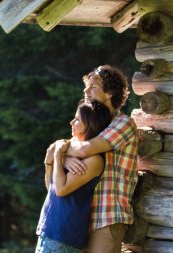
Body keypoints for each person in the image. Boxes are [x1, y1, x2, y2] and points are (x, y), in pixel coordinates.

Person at [63, 65, 139, 253]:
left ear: (109, 93)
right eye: (86, 86)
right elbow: (68, 153)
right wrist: (64, 158)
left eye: (93, 86)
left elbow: (85, 149)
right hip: (80, 216)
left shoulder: (123, 124)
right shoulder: (88, 123)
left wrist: (60, 150)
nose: (86, 91)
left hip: (107, 217)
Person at [36, 100, 112, 253]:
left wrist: (58, 155)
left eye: (77, 119)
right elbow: (50, 187)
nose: (71, 122)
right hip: (49, 230)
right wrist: (51, 162)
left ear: (90, 124)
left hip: (63, 234)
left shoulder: (94, 160)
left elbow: (61, 189)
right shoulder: (69, 149)